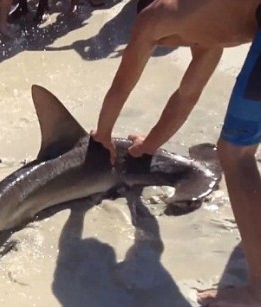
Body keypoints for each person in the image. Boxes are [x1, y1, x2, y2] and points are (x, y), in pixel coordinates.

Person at [91, 0, 261, 306]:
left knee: (235, 152)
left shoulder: (154, 16)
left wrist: (102, 134)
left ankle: (258, 290)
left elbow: (121, 86)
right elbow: (185, 98)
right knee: (247, 139)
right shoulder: (209, 35)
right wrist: (149, 146)